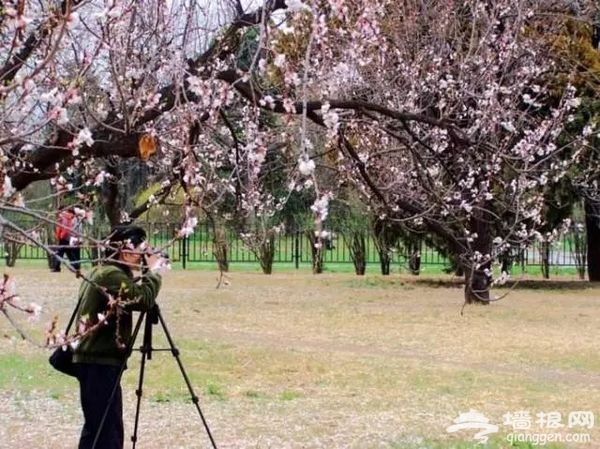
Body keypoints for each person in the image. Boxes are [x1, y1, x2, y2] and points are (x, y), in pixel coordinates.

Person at [72, 224, 162, 449]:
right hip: (98, 362)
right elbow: (142, 299)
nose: (142, 256)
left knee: (98, 427)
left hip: (95, 360)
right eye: (140, 249)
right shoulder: (111, 275)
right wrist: (153, 270)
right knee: (107, 431)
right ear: (125, 251)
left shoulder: (102, 270)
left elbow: (132, 296)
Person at [51, 207, 81, 272]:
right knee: (69, 253)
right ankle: (76, 266)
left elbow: (64, 227)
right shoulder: (67, 217)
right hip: (67, 237)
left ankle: (57, 267)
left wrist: (61, 236)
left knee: (59, 253)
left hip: (64, 238)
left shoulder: (64, 217)